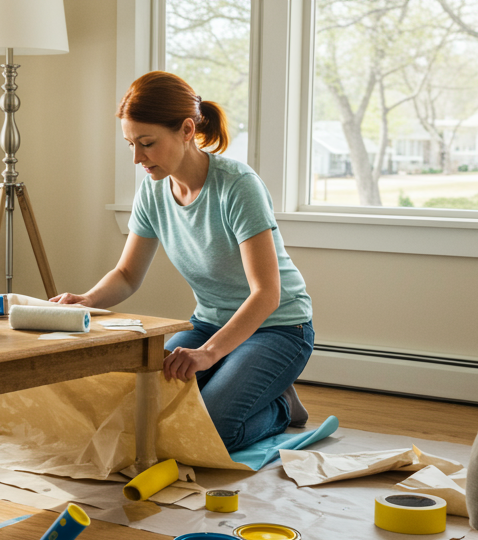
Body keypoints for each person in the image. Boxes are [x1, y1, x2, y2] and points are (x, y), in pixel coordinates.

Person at [52, 71, 314, 453]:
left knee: (209, 429)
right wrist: (87, 300)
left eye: (147, 143)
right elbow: (126, 275)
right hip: (208, 324)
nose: (138, 157)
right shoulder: (153, 190)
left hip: (278, 329)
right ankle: (242, 377)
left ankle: (280, 406)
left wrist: (209, 354)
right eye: (130, 144)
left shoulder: (238, 186)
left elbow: (267, 293)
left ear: (187, 130)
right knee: (143, 412)